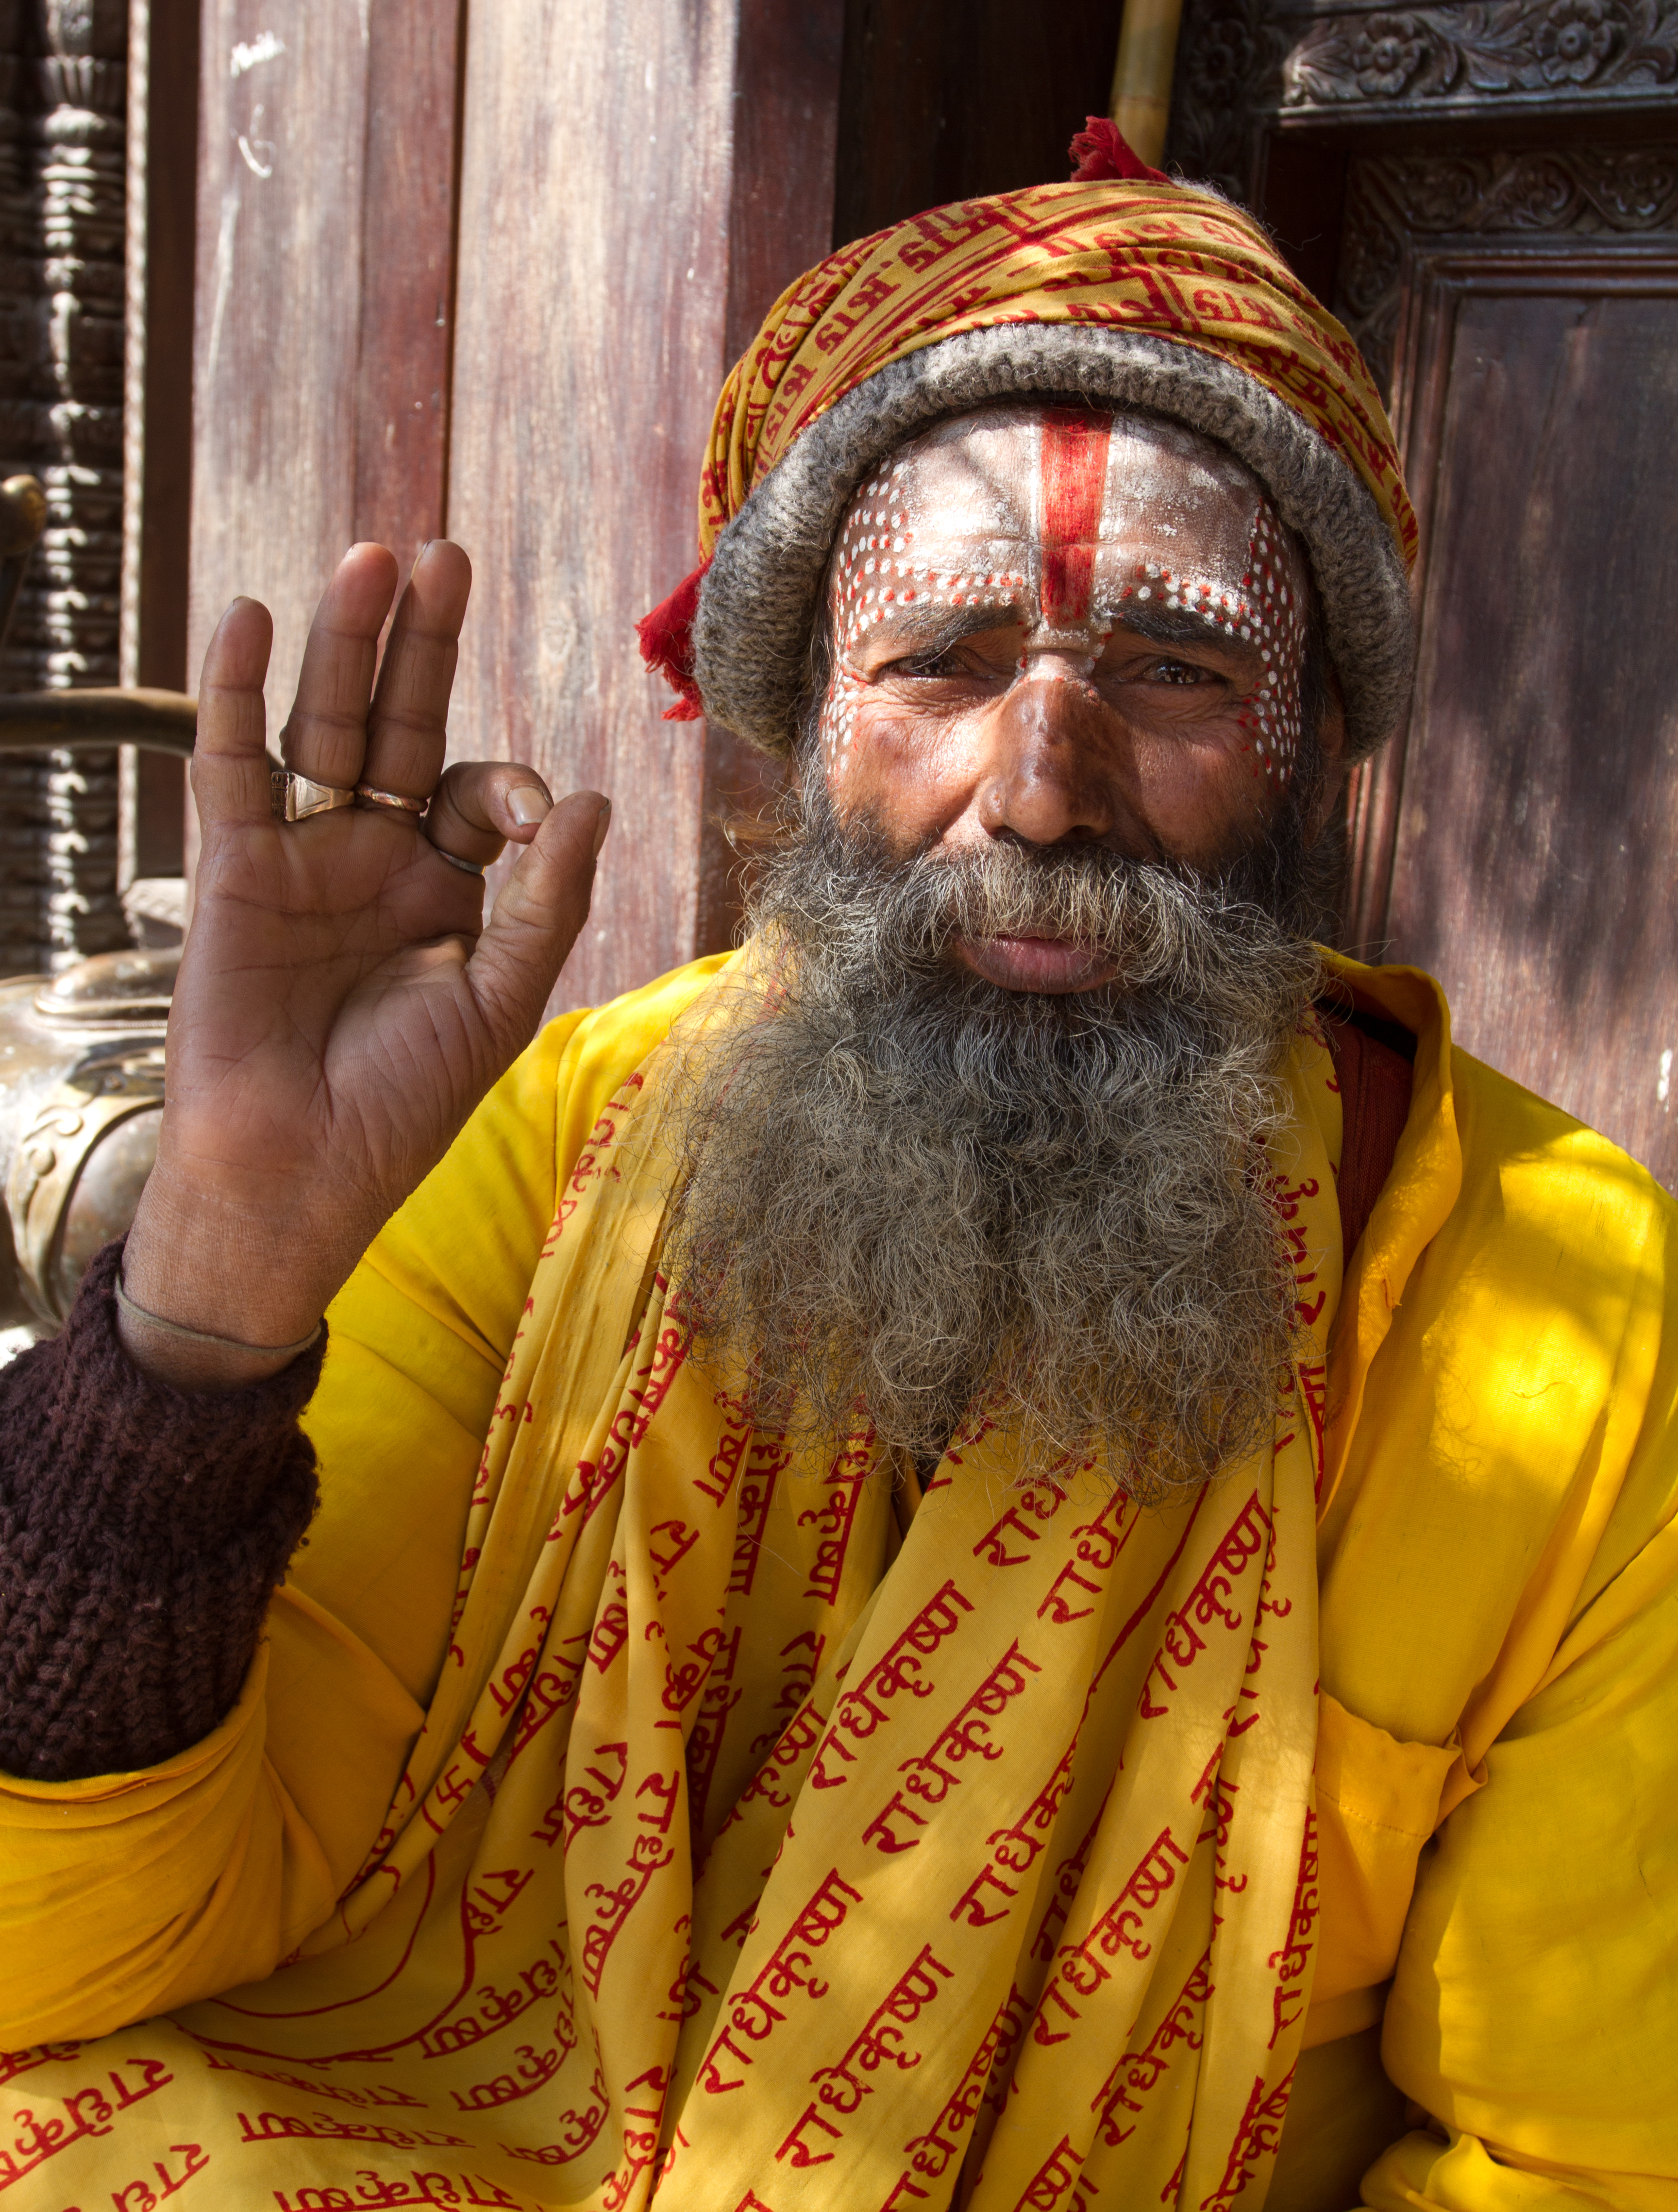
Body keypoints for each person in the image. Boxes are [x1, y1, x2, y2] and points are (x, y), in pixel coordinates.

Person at [1, 127, 1674, 2212]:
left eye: (1171, 667)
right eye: (942, 660)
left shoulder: (1582, 1320)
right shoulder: (564, 1141)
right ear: (796, 728)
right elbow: (64, 1951)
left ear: (1312, 743)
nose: (1041, 789)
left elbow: (1584, 2161)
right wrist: (210, 1297)